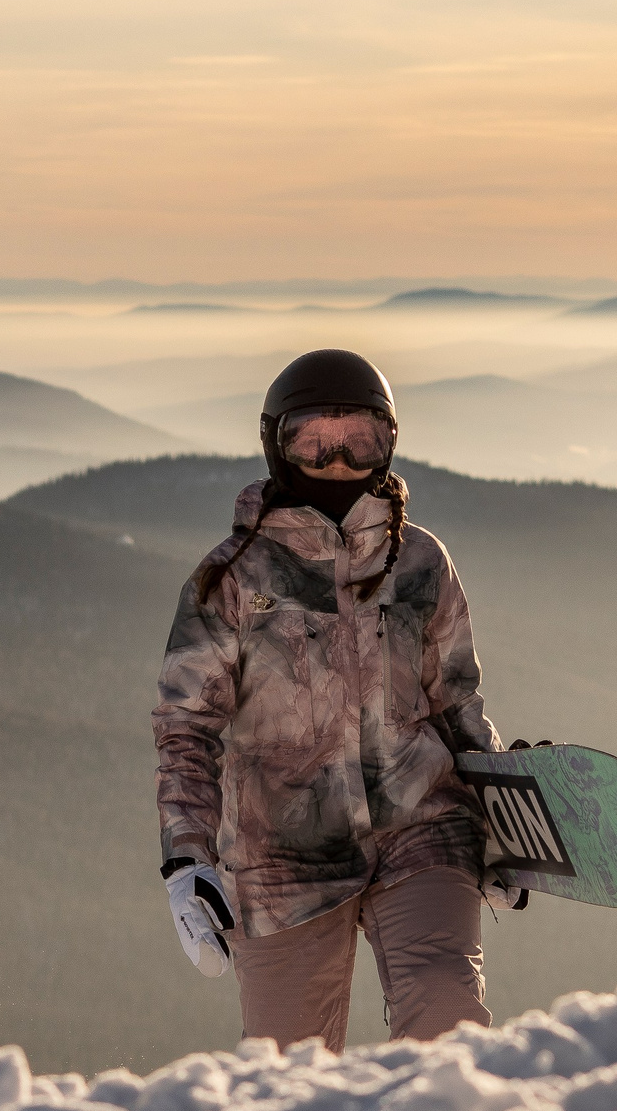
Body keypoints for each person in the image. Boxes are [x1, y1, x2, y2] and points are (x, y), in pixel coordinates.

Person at [152, 348, 521, 1050]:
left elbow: (459, 705)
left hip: (424, 828)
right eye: (315, 442)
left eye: (361, 441)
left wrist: (505, 819)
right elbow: (185, 727)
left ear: (388, 444)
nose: (340, 461)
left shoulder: (419, 561)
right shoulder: (233, 577)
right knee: (288, 1072)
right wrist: (186, 859)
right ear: (277, 445)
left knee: (448, 1025)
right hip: (281, 854)